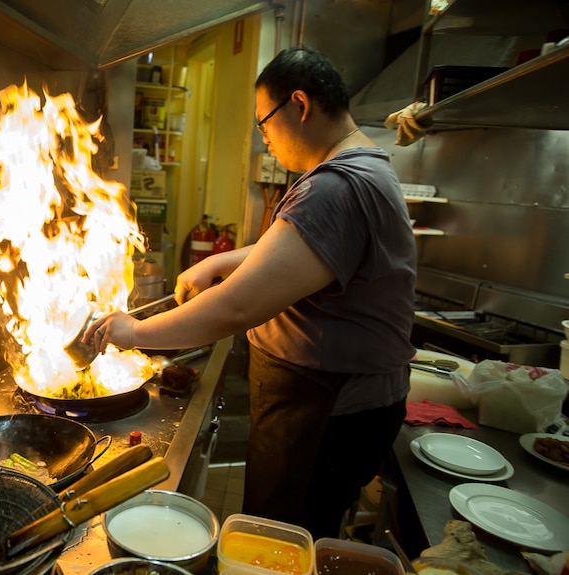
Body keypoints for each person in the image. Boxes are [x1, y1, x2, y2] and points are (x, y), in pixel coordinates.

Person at [84, 46, 416, 538]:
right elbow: (307, 255)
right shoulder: (365, 167)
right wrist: (221, 261)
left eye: (264, 123)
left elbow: (238, 306)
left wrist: (134, 331)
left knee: (280, 540)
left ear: (299, 105)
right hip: (333, 404)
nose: (265, 137)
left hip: (325, 411)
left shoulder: (336, 186)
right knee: (295, 531)